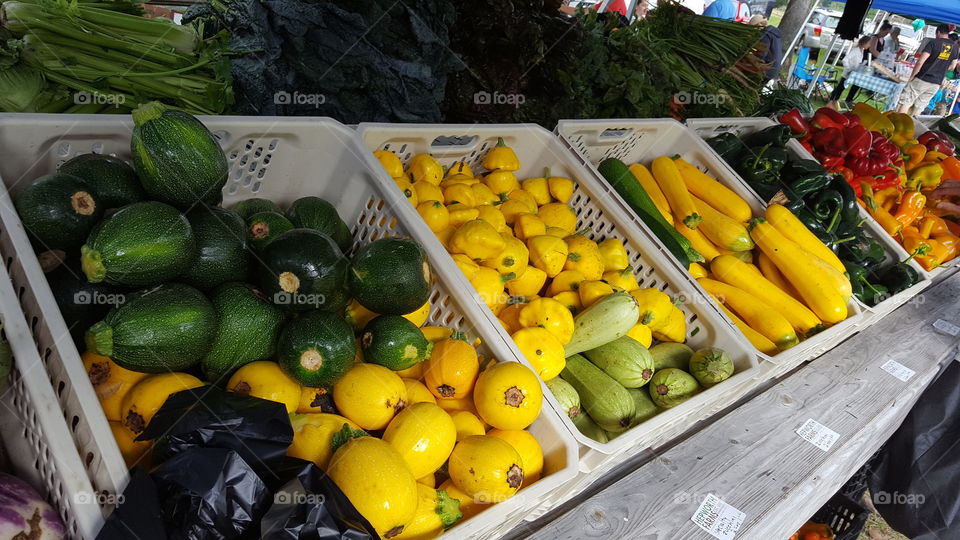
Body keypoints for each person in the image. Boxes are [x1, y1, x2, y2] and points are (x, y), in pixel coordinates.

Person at [899, 24, 960, 115]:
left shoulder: (934, 42)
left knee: (906, 101)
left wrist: (912, 76)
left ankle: (897, 124)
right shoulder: (955, 47)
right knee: (920, 106)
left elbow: (921, 61)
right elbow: (952, 66)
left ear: (938, 32)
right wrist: (941, 68)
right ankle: (912, 126)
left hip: (923, 78)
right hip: (937, 82)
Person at [828, 36, 873, 110]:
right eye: (869, 43)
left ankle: (838, 101)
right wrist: (848, 68)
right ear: (864, 43)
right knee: (840, 88)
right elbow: (845, 60)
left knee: (842, 87)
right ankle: (832, 101)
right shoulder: (855, 50)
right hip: (848, 72)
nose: (869, 45)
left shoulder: (861, 51)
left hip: (853, 72)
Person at [750, 15, 782, 82]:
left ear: (759, 25)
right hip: (774, 69)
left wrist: (750, 56)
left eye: (753, 28)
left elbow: (762, 54)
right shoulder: (773, 33)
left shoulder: (765, 35)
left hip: (767, 69)